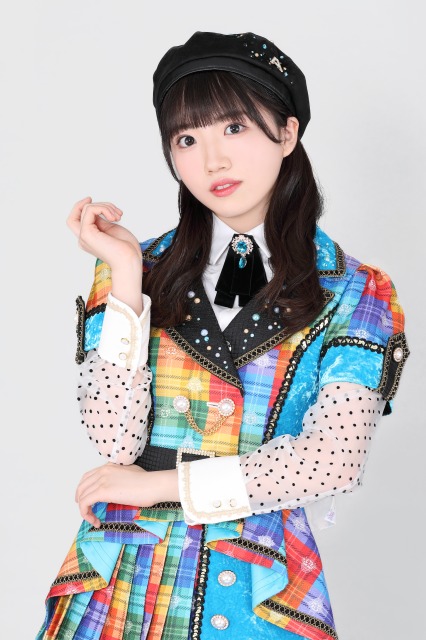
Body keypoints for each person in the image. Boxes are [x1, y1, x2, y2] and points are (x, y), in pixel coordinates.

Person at [37, 31, 409, 640]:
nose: (211, 161)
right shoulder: (134, 269)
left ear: (287, 133)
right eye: (186, 139)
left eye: (234, 127)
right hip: (127, 575)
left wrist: (162, 486)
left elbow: (334, 459)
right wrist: (127, 275)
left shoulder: (356, 290)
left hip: (253, 580)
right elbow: (113, 438)